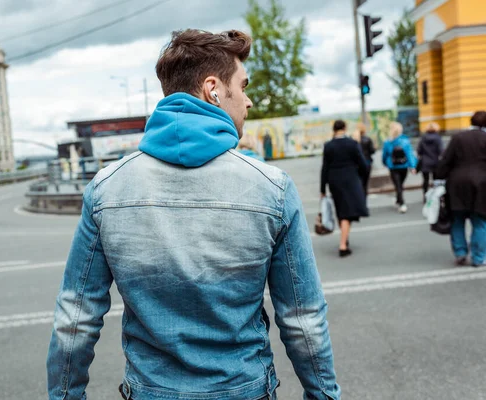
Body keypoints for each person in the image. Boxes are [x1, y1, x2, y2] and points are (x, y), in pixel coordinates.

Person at [47, 29, 340, 400]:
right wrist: (324, 395)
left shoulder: (107, 189)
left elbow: (75, 319)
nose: (248, 101)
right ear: (213, 89)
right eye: (243, 86)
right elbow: (303, 320)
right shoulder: (272, 187)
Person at [436, 111, 486, 267]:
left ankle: (460, 253)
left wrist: (438, 180)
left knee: (457, 220)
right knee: (480, 221)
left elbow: (445, 161)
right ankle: (479, 258)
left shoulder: (457, 138)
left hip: (456, 184)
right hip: (481, 184)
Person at [321, 120, 369, 257]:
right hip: (350, 180)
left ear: (334, 129)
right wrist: (361, 179)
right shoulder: (352, 144)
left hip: (334, 182)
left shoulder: (328, 146)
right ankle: (343, 246)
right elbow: (363, 165)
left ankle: (344, 238)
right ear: (345, 128)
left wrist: (322, 189)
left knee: (342, 211)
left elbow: (324, 168)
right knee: (346, 213)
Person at [382, 122, 418, 213]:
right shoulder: (405, 141)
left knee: (398, 185)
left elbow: (385, 155)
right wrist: (413, 166)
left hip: (393, 166)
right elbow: (409, 154)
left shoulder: (387, 142)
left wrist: (385, 163)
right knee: (400, 185)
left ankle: (401, 203)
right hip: (403, 166)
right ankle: (400, 201)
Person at [417, 122, 444, 202]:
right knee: (436, 180)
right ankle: (436, 196)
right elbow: (441, 151)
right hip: (435, 162)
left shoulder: (423, 138)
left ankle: (425, 196)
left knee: (425, 180)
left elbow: (419, 150)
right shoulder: (438, 138)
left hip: (425, 162)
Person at [357, 123, 375, 195]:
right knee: (365, 183)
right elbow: (372, 151)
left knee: (359, 183)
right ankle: (364, 201)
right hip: (367, 163)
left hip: (357, 164)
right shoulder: (367, 139)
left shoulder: (354, 140)